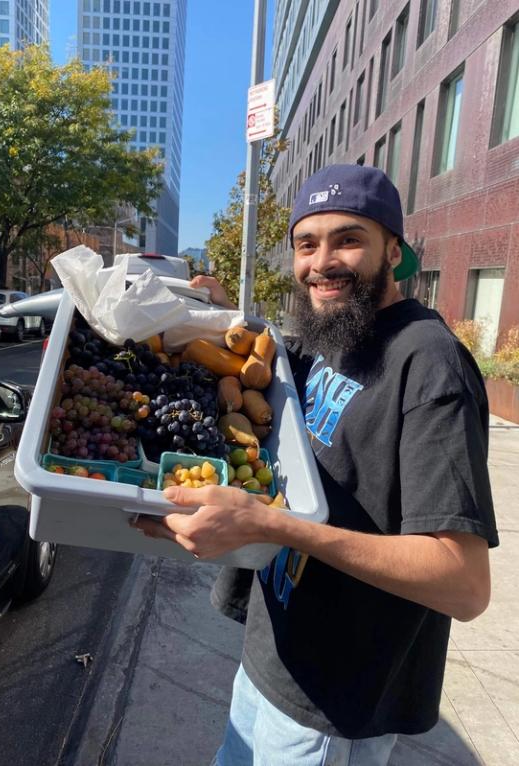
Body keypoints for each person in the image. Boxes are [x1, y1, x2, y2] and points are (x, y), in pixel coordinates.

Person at [132, 164, 499, 765]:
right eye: (306, 244)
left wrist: (272, 525)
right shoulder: (330, 333)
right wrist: (220, 316)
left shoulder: (430, 364)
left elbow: (462, 583)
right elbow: (264, 359)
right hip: (272, 657)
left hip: (334, 700)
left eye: (348, 240)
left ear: (394, 250)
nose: (321, 263)